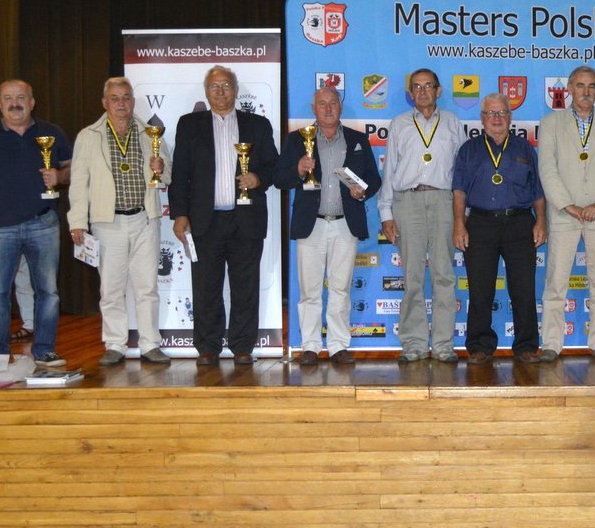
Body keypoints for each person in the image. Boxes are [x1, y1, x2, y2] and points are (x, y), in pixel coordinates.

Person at [169, 65, 277, 367]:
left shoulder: (258, 125)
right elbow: (180, 173)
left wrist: (258, 178)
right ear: (206, 92)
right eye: (214, 86)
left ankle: (243, 347)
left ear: (236, 90)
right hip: (205, 221)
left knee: (246, 287)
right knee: (206, 288)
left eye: (226, 85)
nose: (220, 91)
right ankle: (207, 347)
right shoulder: (189, 125)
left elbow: (274, 166)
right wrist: (179, 214)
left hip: (246, 221)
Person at [0, 79, 70, 367]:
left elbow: (72, 168)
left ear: (32, 102)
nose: (14, 103)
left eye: (21, 97)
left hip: (43, 223)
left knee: (48, 292)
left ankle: (44, 350)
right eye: (8, 98)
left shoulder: (52, 133)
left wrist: (60, 176)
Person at [68, 77, 172, 366]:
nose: (121, 103)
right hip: (107, 222)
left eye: (126, 97)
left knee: (147, 287)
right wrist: (77, 221)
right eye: (115, 98)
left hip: (144, 219)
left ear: (133, 101)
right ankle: (115, 344)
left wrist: (161, 167)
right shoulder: (89, 136)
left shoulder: (150, 133)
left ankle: (150, 344)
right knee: (111, 288)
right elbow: (78, 182)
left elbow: (167, 175)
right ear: (105, 102)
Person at [274, 86, 381, 366]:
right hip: (312, 224)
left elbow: (374, 179)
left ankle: (338, 346)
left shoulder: (358, 139)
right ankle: (309, 346)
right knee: (309, 290)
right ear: (314, 109)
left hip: (346, 224)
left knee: (340, 289)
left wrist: (363, 192)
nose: (328, 108)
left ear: (340, 106)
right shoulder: (297, 140)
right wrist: (298, 170)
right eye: (322, 103)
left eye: (333, 102)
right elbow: (280, 179)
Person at [538, 65, 595, 361]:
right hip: (564, 214)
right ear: (569, 89)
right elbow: (547, 169)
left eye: (591, 86)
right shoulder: (550, 123)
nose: (586, 92)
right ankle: (551, 343)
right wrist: (568, 205)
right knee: (556, 282)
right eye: (580, 85)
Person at [452, 93, 546, 364]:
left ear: (510, 117)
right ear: (482, 118)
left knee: (524, 288)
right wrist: (459, 224)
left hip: (519, 223)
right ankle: (479, 346)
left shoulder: (524, 148)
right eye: (491, 113)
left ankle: (526, 345)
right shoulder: (468, 149)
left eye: (502, 113)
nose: (496, 118)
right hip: (480, 223)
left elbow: (537, 191)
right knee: (480, 289)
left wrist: (541, 221)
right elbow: (459, 191)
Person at [378, 68, 463, 363]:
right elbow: (389, 170)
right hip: (408, 201)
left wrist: (462, 214)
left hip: (443, 201)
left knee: (444, 275)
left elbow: (462, 173)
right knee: (412, 276)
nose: (423, 91)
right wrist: (386, 213)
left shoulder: (453, 123)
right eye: (417, 87)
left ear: (439, 91)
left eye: (428, 86)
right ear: (410, 93)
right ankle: (413, 344)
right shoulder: (399, 124)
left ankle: (443, 344)